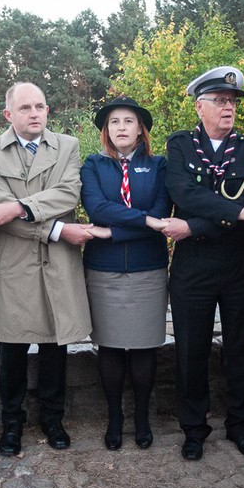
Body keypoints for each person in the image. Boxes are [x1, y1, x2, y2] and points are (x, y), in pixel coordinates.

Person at [0, 82, 93, 456]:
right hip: (17, 263)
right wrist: (56, 229)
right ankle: (11, 423)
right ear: (8, 114)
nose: (34, 113)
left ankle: (53, 419)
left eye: (40, 106)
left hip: (57, 264)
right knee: (12, 349)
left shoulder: (68, 146)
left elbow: (68, 194)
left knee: (55, 347)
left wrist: (17, 206)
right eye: (25, 108)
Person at [166, 66, 244, 461]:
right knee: (190, 349)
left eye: (232, 102)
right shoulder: (180, 146)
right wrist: (241, 214)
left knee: (241, 348)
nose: (228, 108)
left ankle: (241, 425)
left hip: (238, 261)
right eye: (220, 101)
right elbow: (184, 194)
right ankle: (194, 429)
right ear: (200, 106)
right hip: (193, 264)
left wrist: (192, 225)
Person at [80, 97, 177, 450]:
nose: (121, 127)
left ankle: (141, 417)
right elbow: (97, 208)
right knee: (109, 346)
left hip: (147, 268)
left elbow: (161, 212)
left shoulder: (159, 165)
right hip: (103, 269)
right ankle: (115, 417)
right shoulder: (93, 165)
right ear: (106, 130)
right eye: (114, 121)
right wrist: (144, 221)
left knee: (143, 348)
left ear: (140, 129)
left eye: (128, 121)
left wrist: (113, 231)